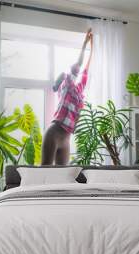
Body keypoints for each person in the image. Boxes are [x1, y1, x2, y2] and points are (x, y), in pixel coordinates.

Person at [41, 29, 93, 165]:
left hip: (66, 138)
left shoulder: (79, 92)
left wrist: (92, 48)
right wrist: (85, 43)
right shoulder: (66, 85)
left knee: (62, 177)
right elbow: (79, 64)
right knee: (44, 172)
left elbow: (86, 70)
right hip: (54, 133)